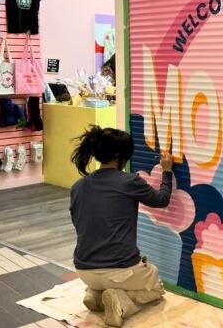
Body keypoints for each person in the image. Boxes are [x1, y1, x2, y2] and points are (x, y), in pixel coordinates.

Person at [69, 126, 173, 326]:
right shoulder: (129, 181)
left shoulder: (78, 186)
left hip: (84, 271)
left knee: (112, 278)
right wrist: (166, 172)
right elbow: (161, 200)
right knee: (155, 286)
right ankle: (121, 302)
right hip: (120, 271)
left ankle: (95, 294)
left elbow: (79, 223)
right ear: (119, 156)